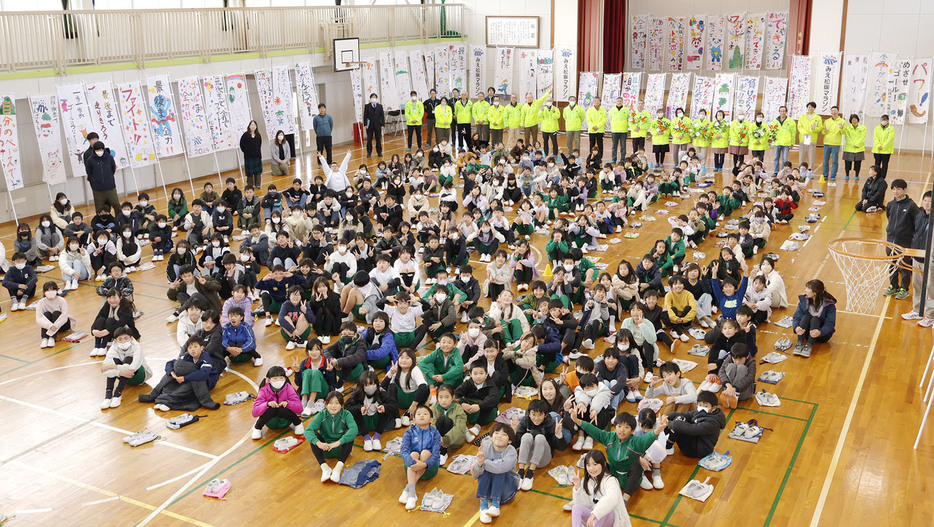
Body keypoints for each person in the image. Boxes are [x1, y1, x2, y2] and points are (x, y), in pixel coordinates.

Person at [571, 411, 668, 506]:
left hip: (629, 478)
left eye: (626, 427)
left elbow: (647, 438)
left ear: (632, 430)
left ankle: (624, 501)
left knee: (637, 466)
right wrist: (576, 420)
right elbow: (594, 430)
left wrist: (658, 430)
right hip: (613, 475)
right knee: (595, 460)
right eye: (619, 426)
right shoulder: (609, 437)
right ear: (615, 427)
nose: (622, 430)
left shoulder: (635, 442)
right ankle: (581, 496)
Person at [138, 335, 221, 411]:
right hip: (190, 376)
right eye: (190, 347)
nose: (193, 349)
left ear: (202, 347)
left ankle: (168, 402)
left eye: (195, 347)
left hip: (206, 380)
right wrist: (172, 373)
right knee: (170, 377)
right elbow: (171, 363)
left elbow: (204, 374)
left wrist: (184, 378)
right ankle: (156, 396)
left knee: (190, 384)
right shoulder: (187, 356)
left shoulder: (206, 357)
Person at [471, 422, 520, 523]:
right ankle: (483, 506)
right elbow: (475, 475)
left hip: (507, 491)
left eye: (504, 434)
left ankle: (495, 504)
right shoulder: (485, 447)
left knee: (498, 469)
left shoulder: (511, 451)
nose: (499, 436)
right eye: (497, 433)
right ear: (491, 436)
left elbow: (501, 468)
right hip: (488, 492)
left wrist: (483, 462)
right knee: (484, 469)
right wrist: (479, 464)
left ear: (510, 441)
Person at [306, 391, 358, 483]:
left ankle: (338, 469)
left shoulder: (346, 414)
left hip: (341, 448)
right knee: (313, 435)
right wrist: (319, 443)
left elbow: (354, 429)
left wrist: (338, 442)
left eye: (337, 403)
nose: (333, 406)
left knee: (349, 434)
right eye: (330, 403)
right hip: (326, 448)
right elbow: (308, 430)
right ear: (325, 404)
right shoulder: (322, 414)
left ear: (342, 405)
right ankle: (325, 468)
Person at [513, 399, 566, 491]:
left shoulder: (550, 423)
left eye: (540, 415)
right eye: (533, 414)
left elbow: (562, 448)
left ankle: (530, 475)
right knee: (526, 436)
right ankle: (520, 472)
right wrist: (514, 432)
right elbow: (515, 445)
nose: (536, 418)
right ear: (529, 414)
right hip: (527, 459)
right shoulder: (525, 421)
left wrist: (558, 435)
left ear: (545, 415)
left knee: (539, 437)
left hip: (543, 459)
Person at [399, 404, 442, 510]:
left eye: (425, 414)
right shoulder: (409, 432)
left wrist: (424, 464)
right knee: (413, 454)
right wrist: (412, 462)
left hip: (429, 468)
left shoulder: (435, 433)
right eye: (418, 414)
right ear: (413, 419)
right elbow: (403, 451)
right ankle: (412, 494)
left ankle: (407, 489)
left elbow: (436, 454)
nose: (421, 415)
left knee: (425, 452)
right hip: (411, 468)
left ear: (431, 419)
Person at [98, 326, 151, 409]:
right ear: (115, 341)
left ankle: (117, 394)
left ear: (131, 338)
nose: (123, 341)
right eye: (120, 339)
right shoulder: (113, 348)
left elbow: (132, 368)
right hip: (124, 377)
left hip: (139, 376)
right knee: (113, 361)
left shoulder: (136, 347)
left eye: (126, 338)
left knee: (128, 359)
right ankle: (108, 396)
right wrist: (120, 372)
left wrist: (112, 366)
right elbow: (104, 369)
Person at [884, 179, 920, 299]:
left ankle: (904, 288)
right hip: (890, 240)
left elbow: (917, 223)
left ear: (904, 189)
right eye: (893, 189)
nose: (896, 191)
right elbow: (889, 217)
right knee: (892, 264)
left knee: (904, 266)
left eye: (898, 189)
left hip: (905, 241)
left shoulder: (911, 206)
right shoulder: (890, 204)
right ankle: (893, 286)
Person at [665, 390, 725, 459]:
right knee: (679, 419)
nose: (702, 407)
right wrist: (668, 415)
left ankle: (668, 447)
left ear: (713, 408)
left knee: (679, 422)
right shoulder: (703, 412)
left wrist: (671, 424)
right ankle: (665, 437)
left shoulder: (713, 423)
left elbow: (692, 429)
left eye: (705, 406)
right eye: (699, 405)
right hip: (696, 440)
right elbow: (687, 414)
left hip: (698, 450)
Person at [251, 366, 304, 439]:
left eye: (281, 378)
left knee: (282, 408)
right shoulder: (263, 390)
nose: (278, 381)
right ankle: (257, 428)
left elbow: (300, 409)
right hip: (270, 422)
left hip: (286, 421)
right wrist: (267, 404)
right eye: (275, 378)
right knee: (271, 408)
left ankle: (298, 423)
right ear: (268, 380)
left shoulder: (289, 388)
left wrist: (288, 403)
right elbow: (254, 412)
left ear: (285, 378)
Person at [792, 279, 837, 357]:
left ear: (815, 292)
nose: (806, 290)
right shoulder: (804, 301)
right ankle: (800, 343)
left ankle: (809, 346)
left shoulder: (829, 305)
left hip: (821, 336)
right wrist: (796, 327)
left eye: (808, 288)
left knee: (815, 318)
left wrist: (820, 332)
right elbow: (797, 316)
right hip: (807, 332)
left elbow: (830, 323)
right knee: (806, 316)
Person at [90, 288, 139, 357]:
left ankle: (104, 345)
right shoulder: (107, 304)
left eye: (114, 298)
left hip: (125, 330)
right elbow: (98, 316)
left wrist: (107, 331)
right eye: (109, 298)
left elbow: (121, 323)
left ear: (120, 297)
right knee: (101, 319)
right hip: (112, 331)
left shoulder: (126, 306)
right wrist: (93, 330)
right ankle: (97, 346)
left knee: (110, 320)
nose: (112, 300)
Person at [432, 384, 467, 465]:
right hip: (437, 439)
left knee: (448, 421)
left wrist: (445, 440)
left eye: (447, 397)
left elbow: (459, 428)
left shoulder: (458, 408)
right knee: (440, 421)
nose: (443, 400)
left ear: (453, 397)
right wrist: (437, 437)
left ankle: (443, 452)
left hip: (454, 440)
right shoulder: (434, 407)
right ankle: (439, 447)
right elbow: (431, 423)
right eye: (440, 397)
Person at [35, 281, 74, 348]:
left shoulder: (62, 301)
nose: (50, 292)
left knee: (56, 313)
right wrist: (50, 326)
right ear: (44, 292)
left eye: (52, 290)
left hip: (63, 324)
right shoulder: (41, 302)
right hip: (49, 326)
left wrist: (55, 326)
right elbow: (39, 317)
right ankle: (44, 339)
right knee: (46, 314)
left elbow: (64, 316)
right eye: (48, 290)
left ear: (56, 291)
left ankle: (52, 338)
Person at [85, 141, 121, 214]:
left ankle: (119, 221)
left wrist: (108, 178)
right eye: (98, 150)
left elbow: (113, 169)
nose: (100, 151)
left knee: (117, 205)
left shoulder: (109, 157)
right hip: (98, 190)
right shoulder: (90, 160)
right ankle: (100, 224)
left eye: (101, 150)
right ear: (94, 150)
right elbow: (89, 172)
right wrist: (95, 180)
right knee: (99, 209)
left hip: (110, 187)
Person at [822, 106, 846, 181]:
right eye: (832, 111)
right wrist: (825, 131)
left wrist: (842, 129)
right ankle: (825, 175)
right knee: (825, 160)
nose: (834, 112)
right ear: (831, 112)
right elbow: (823, 132)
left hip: (836, 144)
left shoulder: (842, 121)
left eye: (835, 110)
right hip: (827, 143)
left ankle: (833, 175)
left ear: (838, 112)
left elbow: (844, 132)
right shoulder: (827, 121)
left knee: (835, 161)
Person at [770, 105, 796, 176]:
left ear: (786, 112)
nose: (782, 112)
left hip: (786, 143)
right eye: (781, 111)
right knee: (776, 158)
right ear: (779, 112)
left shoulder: (791, 121)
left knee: (785, 159)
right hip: (777, 142)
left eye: (784, 111)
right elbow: (772, 130)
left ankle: (783, 172)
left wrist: (792, 143)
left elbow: (793, 133)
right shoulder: (775, 121)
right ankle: (776, 171)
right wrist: (772, 137)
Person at [797, 102, 822, 168]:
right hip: (803, 139)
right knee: (801, 157)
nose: (810, 108)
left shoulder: (818, 118)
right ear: (807, 108)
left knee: (811, 158)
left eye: (812, 107)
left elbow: (820, 128)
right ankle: (800, 171)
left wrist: (814, 129)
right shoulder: (802, 117)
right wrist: (804, 132)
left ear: (814, 108)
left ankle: (810, 172)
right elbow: (799, 127)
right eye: (809, 107)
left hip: (812, 140)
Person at [843, 113, 867, 181]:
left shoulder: (863, 128)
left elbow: (863, 137)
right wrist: (853, 144)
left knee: (858, 163)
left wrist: (858, 144)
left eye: (855, 119)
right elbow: (847, 138)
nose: (854, 121)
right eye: (853, 119)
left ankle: (857, 175)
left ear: (858, 120)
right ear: (850, 121)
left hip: (859, 148)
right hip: (849, 148)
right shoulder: (847, 128)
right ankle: (847, 174)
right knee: (847, 163)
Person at [240, 120, 263, 189]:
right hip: (249, 157)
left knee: (258, 171)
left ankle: (258, 184)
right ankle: (250, 185)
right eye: (251, 125)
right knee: (249, 172)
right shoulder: (246, 135)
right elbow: (241, 144)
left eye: (254, 125)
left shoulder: (258, 135)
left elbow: (259, 144)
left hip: (257, 156)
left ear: (256, 126)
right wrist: (246, 151)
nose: (253, 126)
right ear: (249, 126)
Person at [608, 97, 631, 164]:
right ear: (616, 102)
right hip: (615, 130)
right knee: (614, 146)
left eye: (620, 101)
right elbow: (610, 118)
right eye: (618, 101)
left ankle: (622, 159)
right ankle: (614, 158)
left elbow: (629, 119)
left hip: (623, 131)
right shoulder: (612, 110)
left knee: (623, 146)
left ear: (622, 102)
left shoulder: (626, 110)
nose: (619, 102)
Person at [872, 114, 895, 179]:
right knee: (877, 164)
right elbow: (875, 138)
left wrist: (883, 146)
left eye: (885, 120)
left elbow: (890, 139)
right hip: (877, 150)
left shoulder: (891, 129)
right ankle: (876, 176)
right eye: (882, 120)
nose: (883, 121)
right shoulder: (877, 128)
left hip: (886, 151)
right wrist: (879, 145)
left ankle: (882, 177)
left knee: (884, 165)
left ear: (888, 120)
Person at [364, 93, 385, 157]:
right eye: (372, 97)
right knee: (369, 139)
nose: (373, 98)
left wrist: (382, 125)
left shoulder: (379, 106)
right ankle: (369, 152)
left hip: (377, 125)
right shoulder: (367, 106)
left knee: (378, 139)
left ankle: (379, 152)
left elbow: (382, 116)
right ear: (370, 99)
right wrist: (365, 124)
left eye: (374, 97)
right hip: (369, 125)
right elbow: (365, 116)